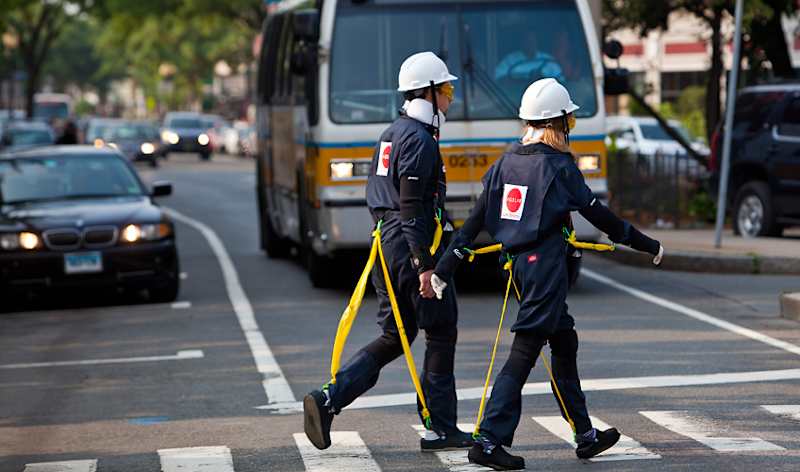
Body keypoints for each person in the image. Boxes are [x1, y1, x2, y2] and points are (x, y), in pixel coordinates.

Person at [429, 78, 664, 470]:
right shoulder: (559, 167)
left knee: (564, 341)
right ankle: (488, 439)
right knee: (524, 351)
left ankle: (584, 434)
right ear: (556, 124)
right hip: (547, 268)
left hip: (520, 267)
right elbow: (601, 217)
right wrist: (648, 245)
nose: (569, 127)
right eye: (567, 120)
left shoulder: (504, 163)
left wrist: (443, 269)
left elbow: (472, 224)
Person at [303, 51, 474, 453]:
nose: (450, 99)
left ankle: (329, 399)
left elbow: (382, 196)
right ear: (427, 94)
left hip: (385, 241)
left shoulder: (392, 133)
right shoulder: (420, 141)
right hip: (409, 243)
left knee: (395, 335)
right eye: (447, 90)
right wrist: (423, 266)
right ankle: (441, 427)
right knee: (441, 329)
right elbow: (412, 207)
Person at [494, 32, 565, 84]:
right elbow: (499, 78)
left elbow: (561, 81)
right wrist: (520, 80)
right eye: (527, 41)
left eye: (532, 41)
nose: (530, 44)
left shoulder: (549, 61)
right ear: (522, 42)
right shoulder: (509, 60)